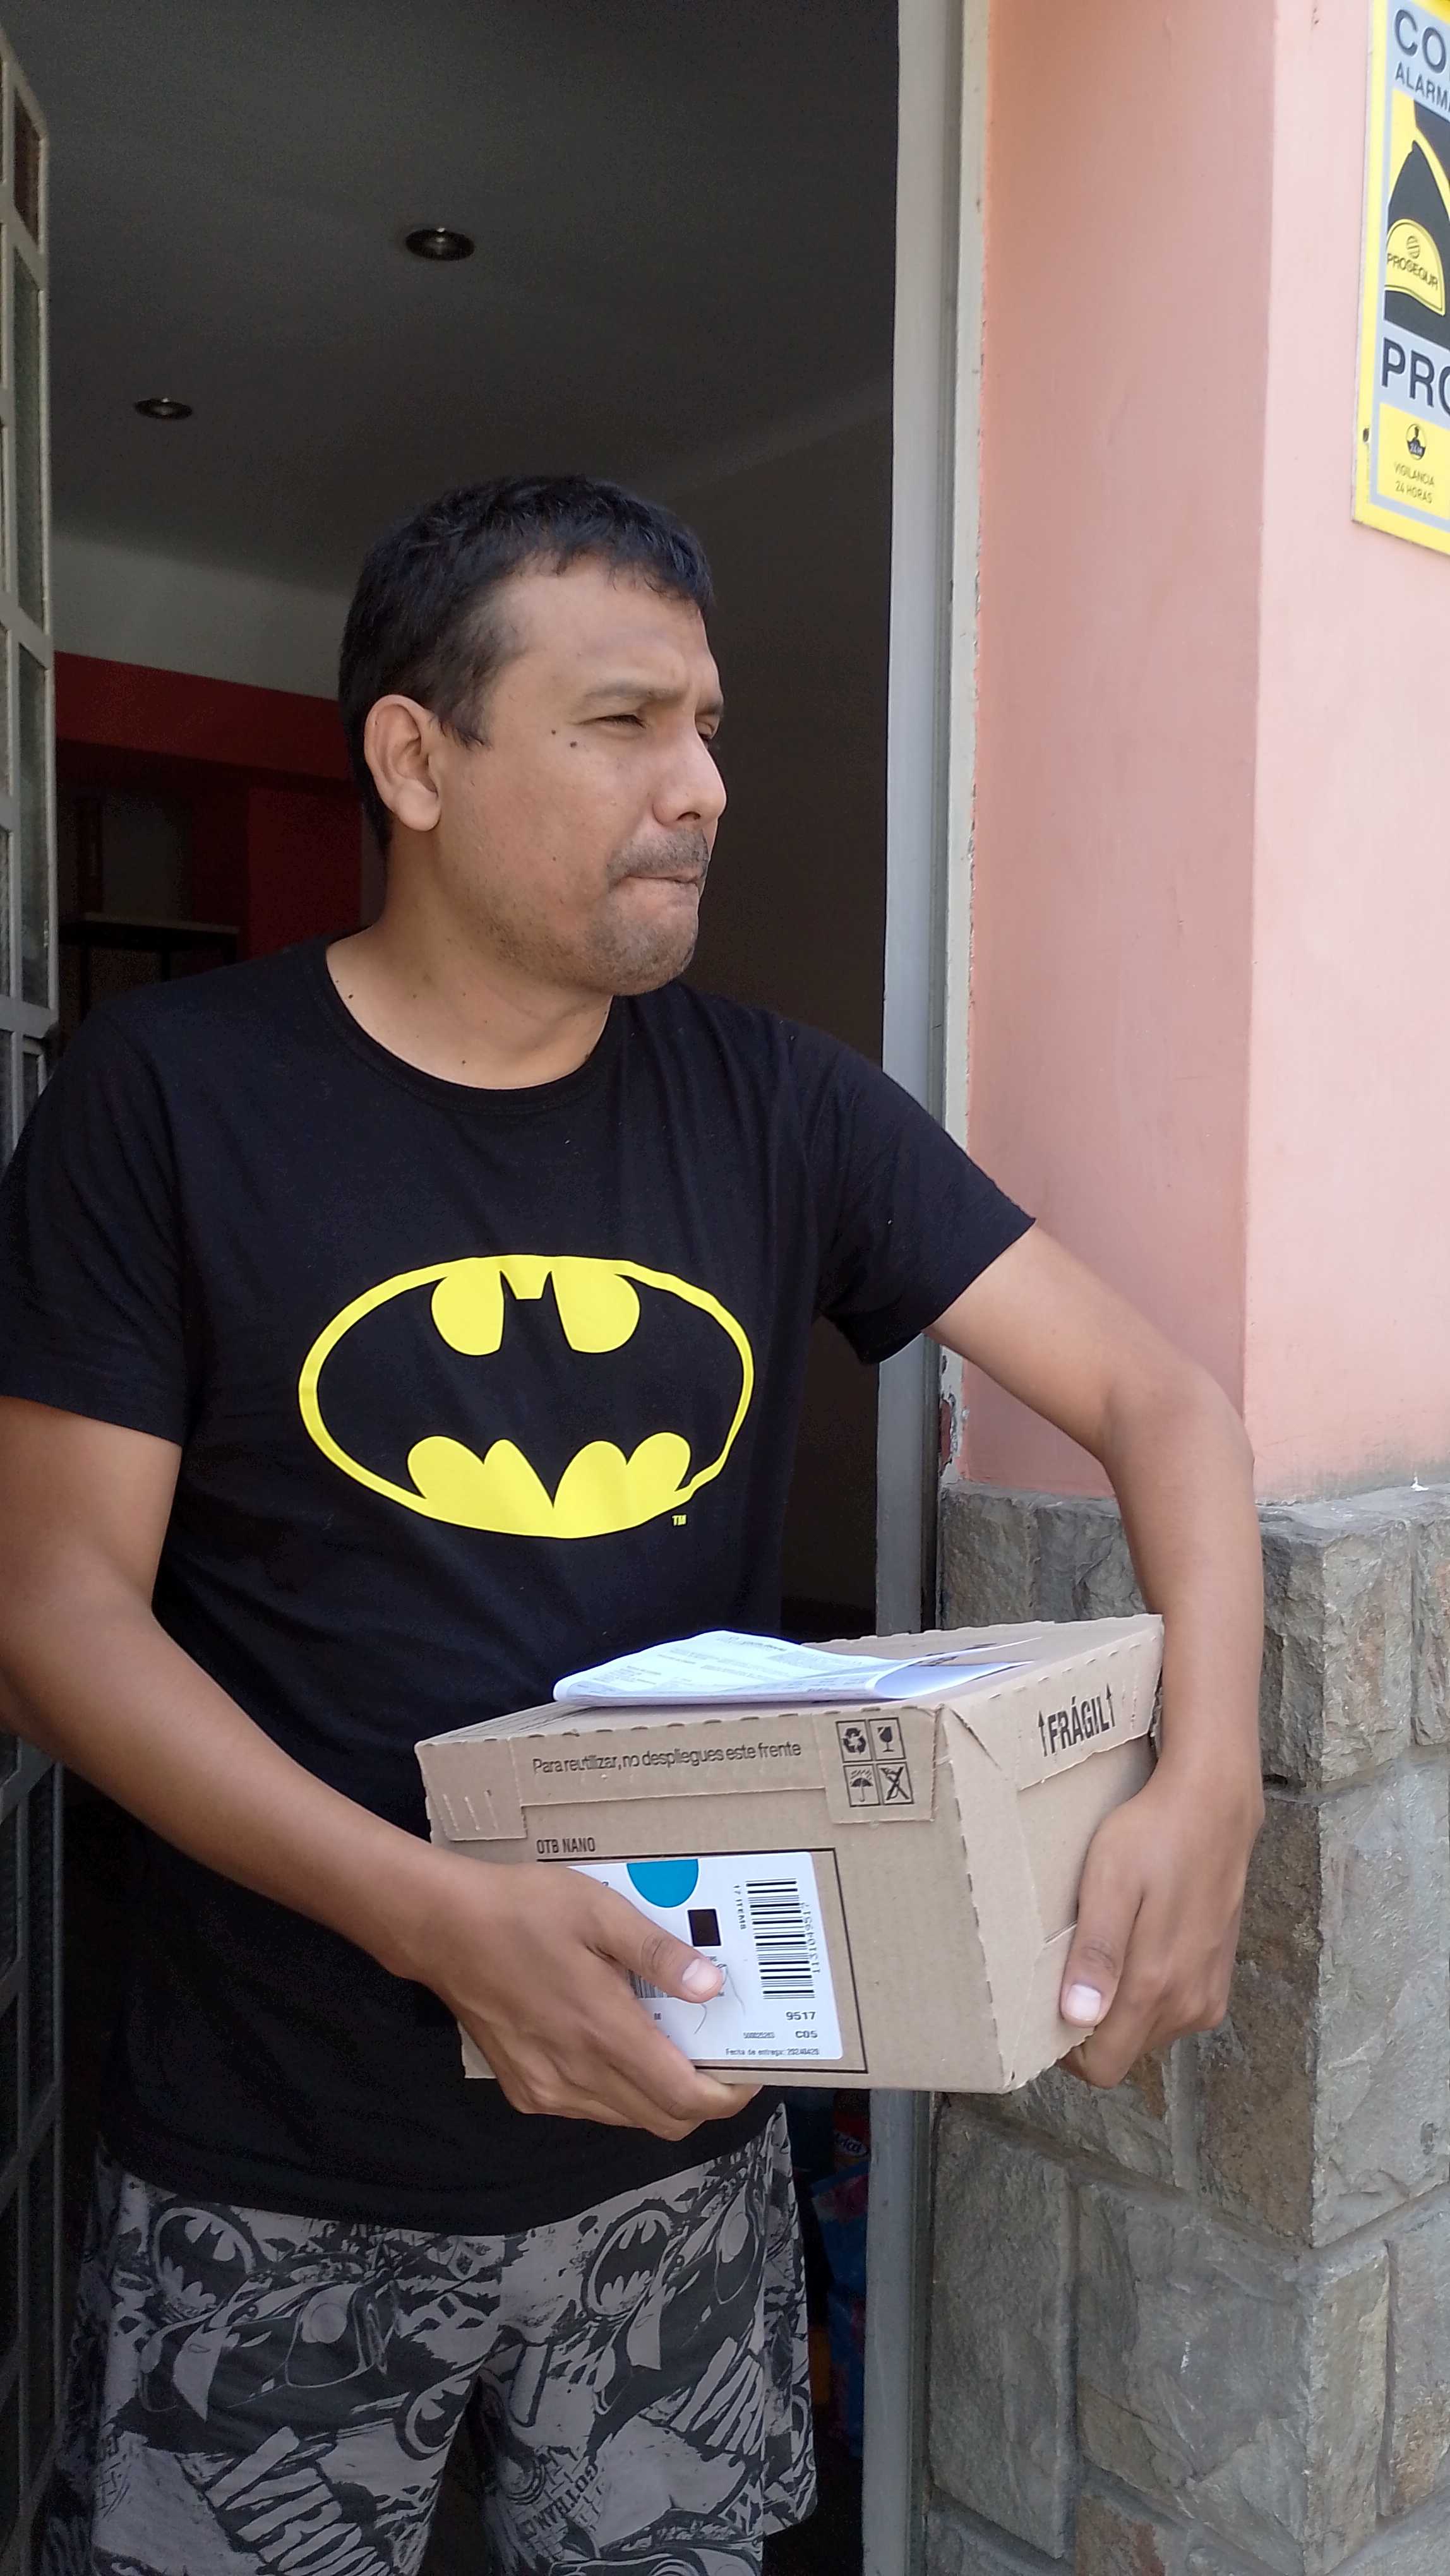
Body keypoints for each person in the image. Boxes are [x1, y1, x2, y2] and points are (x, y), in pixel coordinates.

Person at [0, 477, 1264, 2576]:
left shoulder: (779, 1105)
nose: (702, 785)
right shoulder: (167, 1098)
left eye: (707, 726)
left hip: (681, 2138)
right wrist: (430, 1916)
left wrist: (1210, 1773)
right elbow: (54, 1613)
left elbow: (1163, 1401)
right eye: (622, 724)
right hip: (276, 2167)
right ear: (416, 759)